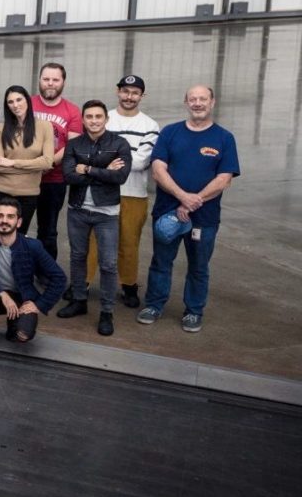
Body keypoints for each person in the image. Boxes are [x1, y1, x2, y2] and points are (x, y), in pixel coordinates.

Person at [138, 85, 238, 333]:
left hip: (204, 218)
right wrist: (183, 197)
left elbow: (224, 178)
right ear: (186, 102)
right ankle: (154, 305)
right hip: (167, 213)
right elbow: (158, 170)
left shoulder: (224, 138)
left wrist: (195, 201)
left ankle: (194, 311)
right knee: (161, 262)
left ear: (212, 102)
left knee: (199, 267)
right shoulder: (170, 133)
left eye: (203, 99)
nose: (197, 103)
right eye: (193, 99)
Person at [55, 101, 131, 335]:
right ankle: (79, 300)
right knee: (78, 257)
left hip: (106, 213)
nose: (94, 121)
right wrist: (104, 170)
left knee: (108, 264)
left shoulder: (119, 143)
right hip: (78, 210)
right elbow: (68, 176)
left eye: (99, 116)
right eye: (89, 116)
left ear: (106, 119)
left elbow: (120, 177)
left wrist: (87, 169)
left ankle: (107, 312)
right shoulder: (74, 144)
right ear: (83, 119)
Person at [0, 199, 68, 349]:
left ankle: (14, 326)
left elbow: (59, 278)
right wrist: (1, 294)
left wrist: (39, 305)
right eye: (0, 216)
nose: (4, 220)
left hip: (20, 300)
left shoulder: (32, 246)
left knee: (23, 335)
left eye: (10, 217)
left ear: (19, 222)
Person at [105, 74, 161, 310]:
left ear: (142, 96)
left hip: (134, 194)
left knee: (129, 243)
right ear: (118, 91)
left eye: (135, 93)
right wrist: (116, 158)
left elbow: (141, 162)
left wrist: (109, 159)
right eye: (126, 91)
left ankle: (128, 286)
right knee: (93, 241)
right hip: (102, 191)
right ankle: (82, 284)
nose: (129, 97)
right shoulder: (104, 118)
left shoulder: (150, 126)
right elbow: (93, 154)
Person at [0, 85, 55, 234]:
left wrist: (12, 162)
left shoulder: (45, 127)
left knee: (19, 238)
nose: (15, 105)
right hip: (1, 192)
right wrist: (32, 167)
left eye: (19, 100)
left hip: (28, 195)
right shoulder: (1, 128)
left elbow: (47, 162)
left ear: (27, 100)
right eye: (10, 102)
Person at [30, 62, 78, 261]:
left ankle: (45, 271)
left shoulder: (72, 111)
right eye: (46, 79)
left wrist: (46, 165)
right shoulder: (26, 104)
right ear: (39, 80)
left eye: (55, 79)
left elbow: (72, 146)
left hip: (54, 181)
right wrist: (30, 166)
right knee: (17, 225)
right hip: (23, 178)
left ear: (63, 82)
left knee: (48, 230)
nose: (50, 83)